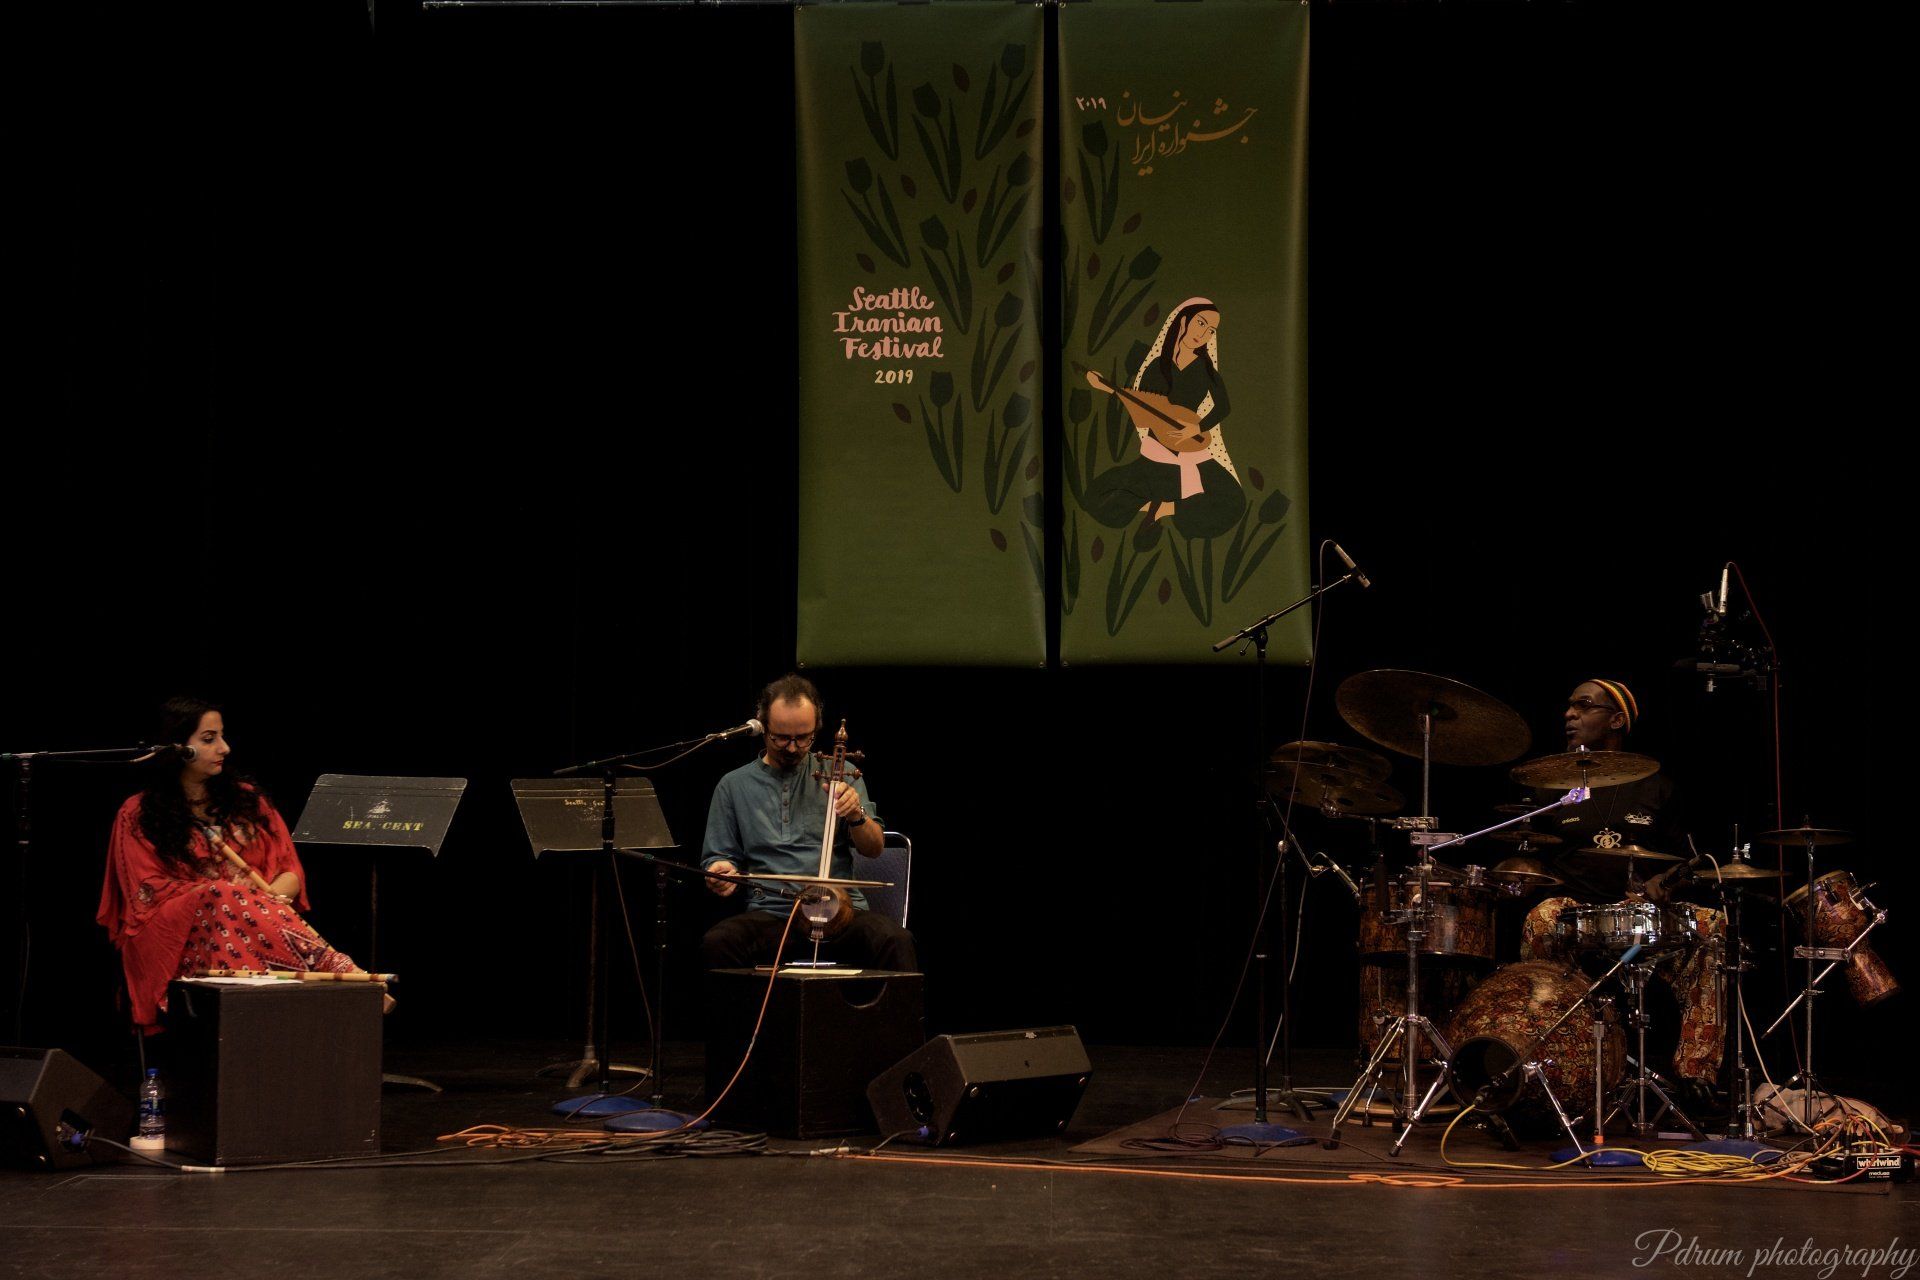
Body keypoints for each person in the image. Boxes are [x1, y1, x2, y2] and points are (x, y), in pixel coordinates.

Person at [96, 696, 368, 1031]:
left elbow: (290, 872)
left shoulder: (247, 801)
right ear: (176, 747)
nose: (224, 748)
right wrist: (233, 896)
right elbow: (146, 892)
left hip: (255, 928)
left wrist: (269, 895)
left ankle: (313, 995)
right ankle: (340, 973)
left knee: (230, 898)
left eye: (222, 736)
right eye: (209, 739)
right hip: (176, 937)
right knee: (221, 895)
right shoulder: (137, 813)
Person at [1517, 679, 1724, 1088]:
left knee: (1713, 926)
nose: (1569, 714)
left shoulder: (1658, 786)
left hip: (1642, 917)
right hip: (1575, 913)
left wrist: (1667, 880)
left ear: (1616, 720)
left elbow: (1688, 861)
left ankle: (1694, 1077)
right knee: (1541, 917)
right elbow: (1528, 855)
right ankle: (1553, 1065)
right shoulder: (1552, 787)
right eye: (1569, 706)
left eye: (1583, 706)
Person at [699, 674, 917, 971]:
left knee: (894, 940)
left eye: (803, 738)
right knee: (719, 943)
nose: (791, 747)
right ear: (762, 726)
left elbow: (874, 848)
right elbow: (719, 859)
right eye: (781, 737)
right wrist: (720, 872)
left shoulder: (842, 773)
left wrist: (856, 815)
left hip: (841, 912)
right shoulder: (733, 786)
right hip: (774, 913)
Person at [1081, 298, 1247, 540]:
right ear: (1183, 321)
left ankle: (1166, 508)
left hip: (1192, 452)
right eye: (1201, 323)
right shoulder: (1157, 366)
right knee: (1095, 495)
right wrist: (1108, 389)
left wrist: (1197, 427)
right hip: (1156, 455)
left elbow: (1223, 407)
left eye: (1211, 330)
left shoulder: (1205, 368)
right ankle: (1154, 505)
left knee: (1234, 502)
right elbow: (1143, 405)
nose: (1204, 334)